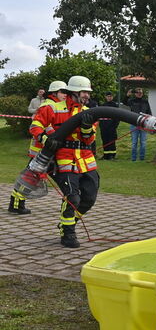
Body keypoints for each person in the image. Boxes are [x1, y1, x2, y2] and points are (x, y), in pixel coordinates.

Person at [52, 76, 100, 248]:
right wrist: (46, 138)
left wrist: (87, 126)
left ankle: (68, 222)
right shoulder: (55, 108)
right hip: (65, 157)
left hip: (86, 158)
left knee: (90, 197)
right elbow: (37, 126)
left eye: (88, 92)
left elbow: (89, 140)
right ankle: (68, 233)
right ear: (74, 92)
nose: (87, 95)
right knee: (73, 196)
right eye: (84, 92)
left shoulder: (89, 112)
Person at [8, 81, 67, 215]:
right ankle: (16, 203)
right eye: (63, 92)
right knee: (30, 178)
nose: (65, 95)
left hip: (52, 151)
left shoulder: (59, 105)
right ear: (54, 93)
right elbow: (41, 126)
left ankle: (70, 202)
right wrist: (55, 136)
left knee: (64, 176)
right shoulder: (48, 105)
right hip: (41, 152)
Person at [124, 88, 152, 161]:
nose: (139, 94)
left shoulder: (145, 102)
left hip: (143, 124)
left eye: (141, 93)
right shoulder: (132, 101)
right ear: (135, 94)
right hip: (134, 124)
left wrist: (148, 120)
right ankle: (133, 158)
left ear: (142, 94)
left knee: (143, 143)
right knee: (134, 143)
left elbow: (149, 113)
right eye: (138, 93)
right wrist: (127, 96)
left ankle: (142, 158)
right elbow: (124, 102)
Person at [99, 91, 120, 160]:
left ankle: (112, 155)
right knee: (105, 141)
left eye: (110, 96)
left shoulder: (115, 105)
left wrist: (114, 126)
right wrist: (101, 126)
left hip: (112, 127)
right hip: (104, 127)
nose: (109, 97)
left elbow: (118, 117)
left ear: (112, 97)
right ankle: (106, 155)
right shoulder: (103, 105)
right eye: (108, 96)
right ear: (106, 97)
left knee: (111, 141)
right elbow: (100, 117)